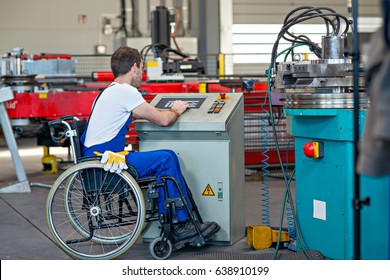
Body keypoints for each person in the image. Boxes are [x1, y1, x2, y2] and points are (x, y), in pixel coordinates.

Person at [80, 45, 220, 244]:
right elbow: (164, 121)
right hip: (107, 163)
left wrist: (151, 111)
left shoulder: (106, 93)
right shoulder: (126, 91)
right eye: (142, 69)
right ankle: (179, 224)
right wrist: (176, 109)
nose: (142, 75)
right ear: (135, 67)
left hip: (97, 159)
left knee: (165, 157)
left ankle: (179, 220)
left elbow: (133, 112)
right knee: (166, 158)